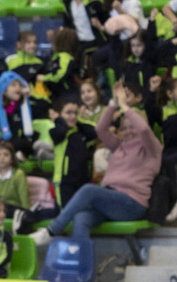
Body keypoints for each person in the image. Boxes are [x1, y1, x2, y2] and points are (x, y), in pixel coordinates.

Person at [34, 81, 162, 246]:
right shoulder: (120, 146)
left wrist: (124, 105)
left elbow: (144, 129)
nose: (130, 130)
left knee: (89, 190)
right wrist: (112, 104)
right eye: (126, 127)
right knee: (81, 218)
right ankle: (83, 267)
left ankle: (51, 231)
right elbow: (100, 130)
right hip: (110, 201)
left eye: (133, 126)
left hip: (131, 203)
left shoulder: (152, 147)